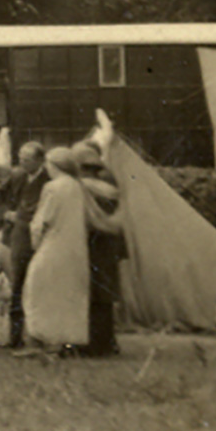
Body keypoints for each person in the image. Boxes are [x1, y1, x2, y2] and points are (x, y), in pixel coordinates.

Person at [21, 145, 99, 356]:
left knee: (38, 289)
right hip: (75, 248)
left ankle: (44, 340)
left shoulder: (53, 187)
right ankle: (67, 341)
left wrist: (35, 242)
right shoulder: (78, 186)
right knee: (68, 293)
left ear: (54, 165)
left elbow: (41, 221)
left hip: (53, 244)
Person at [71, 137, 128, 357]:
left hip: (90, 247)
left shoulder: (84, 189)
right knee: (104, 298)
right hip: (108, 247)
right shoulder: (111, 187)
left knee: (89, 296)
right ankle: (107, 342)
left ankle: (90, 344)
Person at [0, 141, 47, 349]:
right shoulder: (17, 176)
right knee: (17, 284)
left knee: (39, 285)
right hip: (18, 236)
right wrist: (5, 212)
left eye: (27, 160)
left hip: (40, 239)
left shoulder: (49, 180)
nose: (22, 163)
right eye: (20, 158)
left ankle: (40, 336)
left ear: (39, 160)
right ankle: (15, 337)